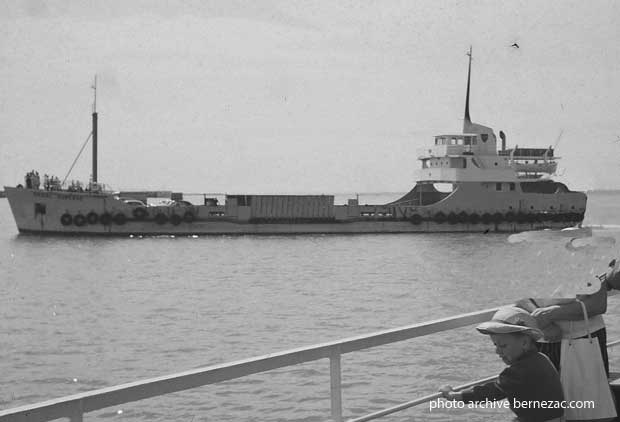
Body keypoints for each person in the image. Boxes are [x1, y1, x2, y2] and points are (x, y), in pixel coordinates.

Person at [440, 306, 564, 422]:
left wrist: (455, 396)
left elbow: (492, 392)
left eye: (503, 346)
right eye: (495, 345)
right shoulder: (541, 358)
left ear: (525, 343)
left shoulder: (519, 371)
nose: (497, 351)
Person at [520, 257, 620, 376]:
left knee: (589, 392)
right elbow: (518, 293)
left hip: (584, 338)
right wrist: (542, 321)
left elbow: (596, 305)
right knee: (549, 392)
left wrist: (549, 315)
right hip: (542, 339)